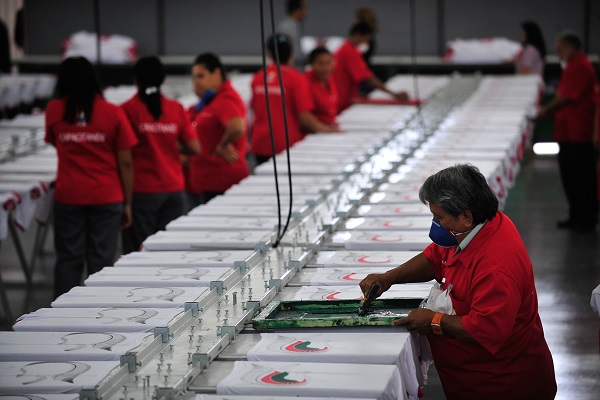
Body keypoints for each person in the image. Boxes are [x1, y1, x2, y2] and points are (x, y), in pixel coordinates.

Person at [359, 164, 557, 400]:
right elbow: (435, 258)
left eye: (439, 217)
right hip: (470, 380)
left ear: (465, 217)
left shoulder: (495, 268)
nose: (435, 224)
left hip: (503, 385)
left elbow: (486, 330)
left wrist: (434, 320)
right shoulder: (476, 227)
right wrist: (389, 278)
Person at [45, 57, 137, 298]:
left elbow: (54, 142)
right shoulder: (112, 112)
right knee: (101, 261)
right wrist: (128, 202)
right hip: (106, 196)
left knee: (68, 259)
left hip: (69, 195)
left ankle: (60, 312)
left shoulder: (54, 110)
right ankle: (98, 310)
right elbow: (126, 162)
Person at [120, 56, 200, 254]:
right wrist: (173, 150)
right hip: (173, 189)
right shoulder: (176, 109)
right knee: (167, 252)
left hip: (142, 192)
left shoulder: (126, 110)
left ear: (136, 80)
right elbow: (195, 148)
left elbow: (123, 155)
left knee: (138, 254)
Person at [534, 31, 598, 232]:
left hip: (578, 133)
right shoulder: (572, 66)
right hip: (568, 131)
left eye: (560, 49)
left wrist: (544, 112)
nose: (558, 53)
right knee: (571, 176)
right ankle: (577, 215)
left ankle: (586, 218)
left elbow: (565, 98)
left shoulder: (580, 66)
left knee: (581, 177)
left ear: (572, 48)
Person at [250, 34, 339, 165]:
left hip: (261, 143)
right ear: (292, 54)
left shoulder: (258, 78)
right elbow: (305, 118)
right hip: (286, 144)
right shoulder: (296, 79)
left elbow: (254, 109)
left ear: (269, 53)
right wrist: (329, 130)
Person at [187, 53, 249, 207]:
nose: (196, 82)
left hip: (221, 182)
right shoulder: (208, 101)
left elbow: (237, 127)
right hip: (207, 180)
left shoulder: (226, 99)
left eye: (201, 76)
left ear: (217, 73)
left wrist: (223, 145)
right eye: (194, 77)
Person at [332, 22, 408, 113]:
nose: (367, 43)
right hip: (340, 101)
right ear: (358, 36)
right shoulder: (350, 52)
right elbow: (368, 78)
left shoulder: (346, 48)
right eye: (366, 39)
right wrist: (393, 94)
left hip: (342, 97)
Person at [305, 47, 339, 128]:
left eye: (329, 63)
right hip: (316, 130)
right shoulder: (305, 83)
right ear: (312, 64)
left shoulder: (330, 79)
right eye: (321, 64)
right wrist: (326, 129)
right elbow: (305, 115)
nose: (326, 68)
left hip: (330, 127)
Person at [277, 0, 308, 70]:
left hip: (298, 65)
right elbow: (285, 50)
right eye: (304, 9)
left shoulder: (297, 25)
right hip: (291, 66)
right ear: (298, 10)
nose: (306, 13)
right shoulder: (286, 27)